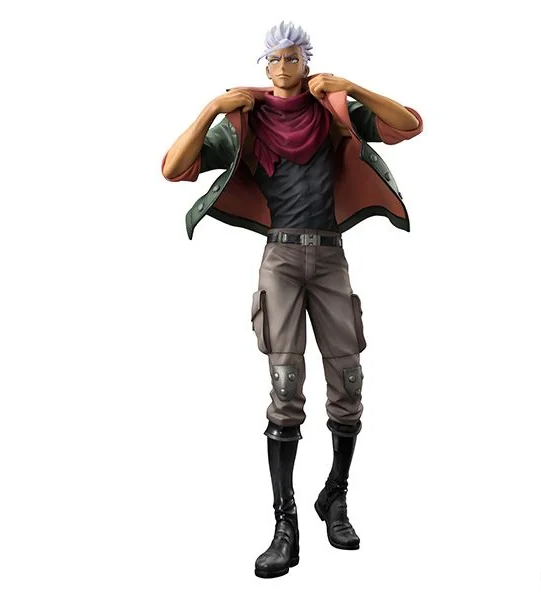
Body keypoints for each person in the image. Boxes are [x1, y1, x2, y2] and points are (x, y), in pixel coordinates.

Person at [161, 21, 423, 578]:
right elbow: (173, 168)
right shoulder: (245, 120)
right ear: (264, 65)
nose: (283, 66)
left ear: (307, 61)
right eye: (273, 58)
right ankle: (286, 525)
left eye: (292, 57)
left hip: (329, 256)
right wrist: (211, 109)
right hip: (280, 257)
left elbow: (409, 124)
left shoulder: (332, 111)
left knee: (348, 381)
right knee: (285, 387)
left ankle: (337, 495)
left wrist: (352, 87)